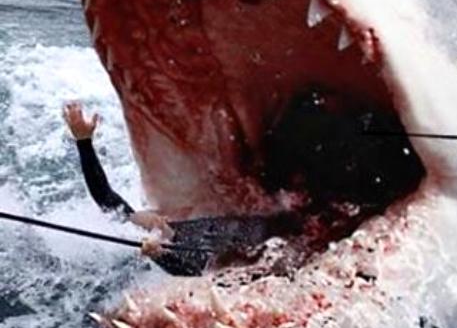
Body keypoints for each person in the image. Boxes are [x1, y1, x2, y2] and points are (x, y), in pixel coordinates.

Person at [62, 102, 302, 276]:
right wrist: (160, 255)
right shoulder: (180, 244)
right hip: (271, 254)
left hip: (277, 221)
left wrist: (84, 142)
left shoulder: (180, 225)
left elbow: (107, 199)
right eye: (143, 222)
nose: (140, 218)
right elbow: (195, 270)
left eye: (141, 219)